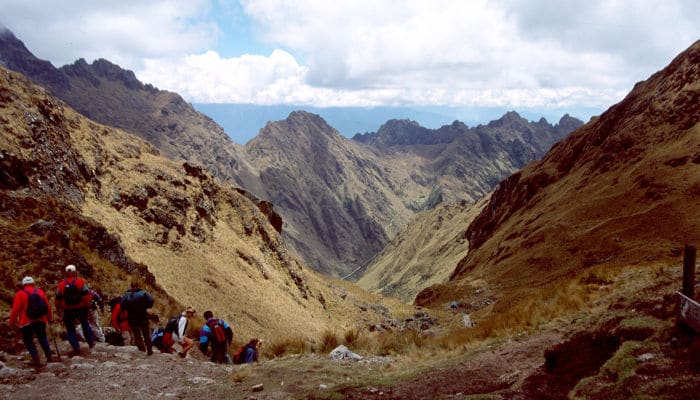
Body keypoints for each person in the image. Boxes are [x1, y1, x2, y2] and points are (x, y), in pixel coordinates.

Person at [9, 276, 54, 366]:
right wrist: (50, 317)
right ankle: (49, 356)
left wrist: (11, 322)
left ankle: (35, 358)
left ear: (23, 284)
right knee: (42, 337)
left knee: (28, 340)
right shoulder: (40, 292)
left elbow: (15, 310)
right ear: (33, 283)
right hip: (40, 319)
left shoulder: (20, 294)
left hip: (26, 321)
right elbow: (47, 306)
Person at [55, 264, 94, 356]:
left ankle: (76, 348)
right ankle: (91, 343)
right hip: (81, 308)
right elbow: (87, 297)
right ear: (75, 272)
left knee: (70, 329)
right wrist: (88, 308)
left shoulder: (61, 284)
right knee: (85, 325)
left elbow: (58, 299)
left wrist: (60, 309)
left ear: (66, 273)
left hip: (68, 310)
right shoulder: (80, 282)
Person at [120, 281, 154, 355]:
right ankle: (150, 351)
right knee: (146, 335)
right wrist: (145, 306)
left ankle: (142, 350)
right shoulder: (144, 293)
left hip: (132, 318)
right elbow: (151, 301)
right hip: (143, 316)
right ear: (138, 286)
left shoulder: (127, 294)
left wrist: (128, 308)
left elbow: (122, 304)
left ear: (131, 286)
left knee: (137, 335)